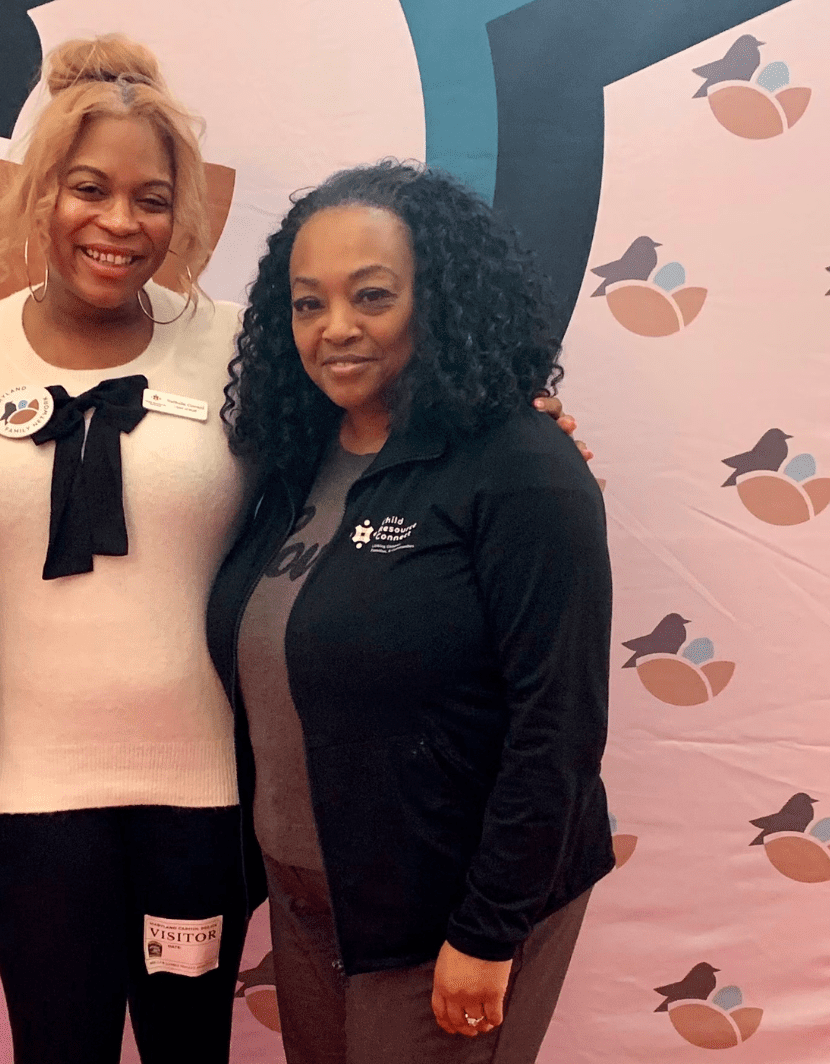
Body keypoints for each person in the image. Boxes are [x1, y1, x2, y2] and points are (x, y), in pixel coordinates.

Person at [204, 161, 613, 1064]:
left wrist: (488, 932)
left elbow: (560, 726)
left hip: (449, 910)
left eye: (373, 296)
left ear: (443, 301)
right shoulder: (292, 461)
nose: (336, 329)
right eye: (308, 304)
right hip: (314, 899)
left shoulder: (523, 466)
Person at [0, 36, 254, 1064]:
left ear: (179, 213)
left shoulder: (236, 342)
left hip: (207, 791)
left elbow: (365, 441)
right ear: (40, 193)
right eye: (88, 188)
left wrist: (522, 419)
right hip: (26, 790)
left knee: (192, 1051)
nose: (118, 222)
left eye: (151, 198)